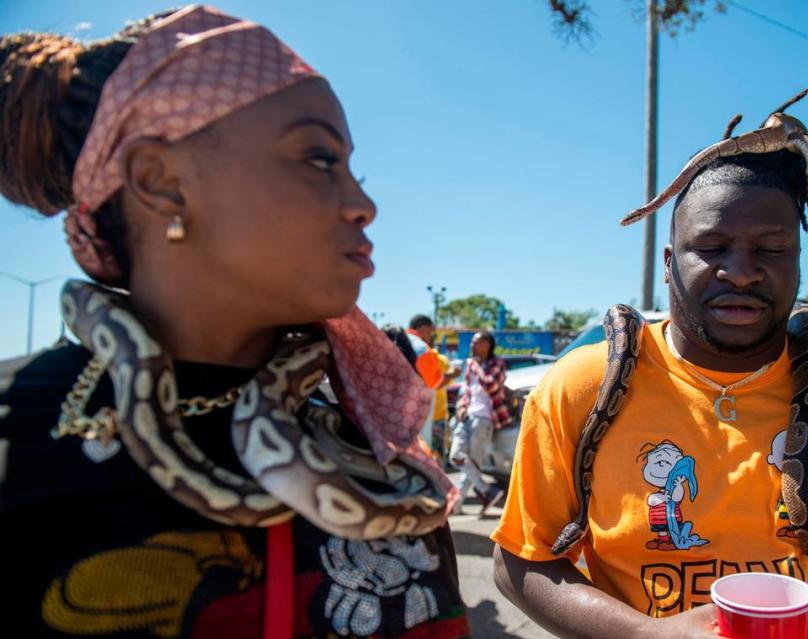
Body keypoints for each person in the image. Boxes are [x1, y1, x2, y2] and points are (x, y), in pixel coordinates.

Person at [0, 7, 469, 637]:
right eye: (319, 159)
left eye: (353, 169)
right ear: (161, 182)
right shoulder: (19, 435)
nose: (364, 204)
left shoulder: (373, 438)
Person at [492, 94, 808, 639]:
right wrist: (646, 635)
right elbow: (520, 561)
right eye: (711, 247)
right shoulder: (578, 388)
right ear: (669, 265)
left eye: (772, 248)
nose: (740, 272)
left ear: (799, 260)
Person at [451, 331, 508, 515]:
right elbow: (466, 390)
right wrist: (461, 405)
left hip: (483, 419)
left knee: (471, 464)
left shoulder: (496, 364)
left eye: (476, 342)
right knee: (456, 456)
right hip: (466, 417)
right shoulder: (471, 365)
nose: (472, 346)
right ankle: (486, 490)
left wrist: (476, 366)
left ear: (487, 345)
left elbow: (490, 385)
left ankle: (456, 506)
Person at [406, 315, 460, 456]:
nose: (430, 337)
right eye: (430, 332)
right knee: (425, 452)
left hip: (399, 413)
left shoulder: (398, 340)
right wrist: (450, 376)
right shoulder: (422, 349)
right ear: (424, 329)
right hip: (422, 415)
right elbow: (434, 383)